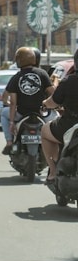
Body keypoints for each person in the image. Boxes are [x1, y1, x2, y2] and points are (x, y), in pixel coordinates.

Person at [1, 47, 55, 155]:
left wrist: (11, 122)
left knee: (3, 113)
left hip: (22, 114)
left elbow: (12, 102)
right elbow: (52, 93)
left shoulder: (16, 77)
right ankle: (56, 145)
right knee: (57, 119)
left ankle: (9, 141)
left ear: (19, 60)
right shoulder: (42, 73)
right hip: (41, 113)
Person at [41, 48, 78, 188]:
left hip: (69, 125)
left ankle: (53, 172)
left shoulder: (68, 81)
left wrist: (45, 104)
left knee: (45, 131)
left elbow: (53, 102)